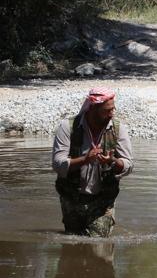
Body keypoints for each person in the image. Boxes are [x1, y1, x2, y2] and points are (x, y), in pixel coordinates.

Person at [52, 87, 134, 237]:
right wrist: (85, 159)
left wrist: (114, 161)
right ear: (92, 108)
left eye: (113, 109)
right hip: (71, 197)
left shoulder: (118, 128)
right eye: (107, 110)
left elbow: (128, 164)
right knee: (72, 243)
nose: (111, 114)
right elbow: (58, 163)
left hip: (103, 199)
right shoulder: (68, 127)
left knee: (99, 245)